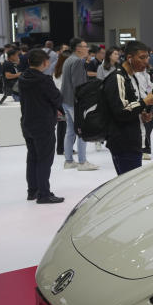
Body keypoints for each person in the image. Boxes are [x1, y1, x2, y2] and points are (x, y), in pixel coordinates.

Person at [103, 40, 153, 175]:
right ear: (129, 58)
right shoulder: (118, 78)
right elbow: (121, 111)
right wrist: (145, 102)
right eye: (142, 57)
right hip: (123, 142)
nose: (146, 61)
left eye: (147, 57)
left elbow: (131, 106)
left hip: (133, 140)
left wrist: (142, 114)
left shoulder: (132, 77)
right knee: (129, 189)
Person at [19, 49, 64, 203]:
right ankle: (44, 194)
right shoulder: (44, 80)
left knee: (32, 158)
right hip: (43, 125)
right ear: (45, 63)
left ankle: (33, 191)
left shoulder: (23, 78)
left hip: (27, 123)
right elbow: (57, 98)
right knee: (44, 160)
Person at [60, 38, 98, 171]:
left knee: (70, 131)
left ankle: (69, 161)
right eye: (85, 46)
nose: (87, 48)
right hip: (75, 102)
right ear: (78, 48)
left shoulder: (69, 60)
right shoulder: (77, 61)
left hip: (67, 100)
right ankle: (82, 162)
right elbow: (78, 85)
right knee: (82, 131)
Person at [52, 49, 71, 155]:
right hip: (64, 100)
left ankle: (61, 148)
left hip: (59, 100)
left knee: (63, 126)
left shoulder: (57, 71)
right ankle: (63, 148)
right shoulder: (64, 72)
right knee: (66, 126)